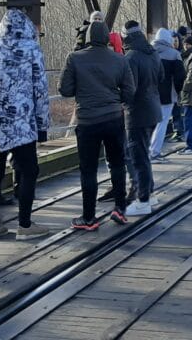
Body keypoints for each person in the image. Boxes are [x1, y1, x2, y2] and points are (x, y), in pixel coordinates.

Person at [0, 9, 51, 241]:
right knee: (29, 171)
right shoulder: (31, 50)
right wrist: (42, 125)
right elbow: (40, 90)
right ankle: (25, 225)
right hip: (21, 124)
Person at [60, 21, 136, 230]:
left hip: (87, 120)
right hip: (113, 118)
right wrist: (114, 99)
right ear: (108, 38)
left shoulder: (74, 58)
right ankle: (119, 209)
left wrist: (82, 89)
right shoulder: (119, 59)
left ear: (87, 37)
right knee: (117, 163)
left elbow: (64, 89)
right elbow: (130, 91)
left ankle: (89, 218)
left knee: (88, 169)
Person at [121, 20, 163, 216]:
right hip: (154, 110)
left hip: (137, 113)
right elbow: (161, 77)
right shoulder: (152, 53)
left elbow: (130, 89)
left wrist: (121, 100)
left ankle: (143, 199)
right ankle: (150, 193)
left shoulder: (131, 57)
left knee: (137, 157)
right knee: (144, 155)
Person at [149, 28, 184, 161]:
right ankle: (155, 151)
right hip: (168, 95)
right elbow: (180, 77)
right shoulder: (174, 54)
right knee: (162, 123)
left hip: (149, 94)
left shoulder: (149, 52)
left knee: (149, 123)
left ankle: (146, 151)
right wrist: (179, 92)